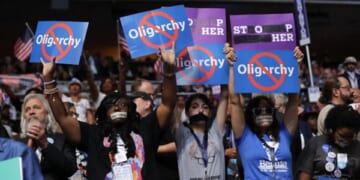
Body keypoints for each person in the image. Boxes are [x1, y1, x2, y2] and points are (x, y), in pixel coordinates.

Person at [41, 44, 176, 180]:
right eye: (111, 105)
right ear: (104, 112)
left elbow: (168, 105)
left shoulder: (145, 128)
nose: (117, 107)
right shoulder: (93, 135)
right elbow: (62, 118)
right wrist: (48, 78)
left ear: (130, 110)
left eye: (123, 104)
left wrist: (169, 68)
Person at [226, 43, 304, 179]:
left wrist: (295, 65)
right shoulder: (244, 137)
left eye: (268, 110)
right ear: (251, 114)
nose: (264, 113)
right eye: (259, 110)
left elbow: (293, 101)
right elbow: (234, 101)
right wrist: (231, 67)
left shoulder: (284, 135)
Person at [174, 85, 229, 179]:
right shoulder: (182, 133)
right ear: (187, 112)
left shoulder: (216, 132)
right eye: (194, 107)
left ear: (210, 113)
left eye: (205, 107)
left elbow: (224, 96)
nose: (200, 110)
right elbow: (170, 104)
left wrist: (224, 73)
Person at [20, 93, 77, 180]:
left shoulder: (62, 139)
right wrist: (28, 153)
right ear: (24, 116)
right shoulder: (16, 144)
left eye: (36, 107)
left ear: (47, 112)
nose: (31, 112)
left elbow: (70, 169)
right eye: (27, 109)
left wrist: (46, 145)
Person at [296, 105, 360, 179]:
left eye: (350, 136)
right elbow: (304, 175)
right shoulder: (316, 143)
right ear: (331, 130)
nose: (346, 140)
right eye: (341, 136)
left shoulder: (358, 148)